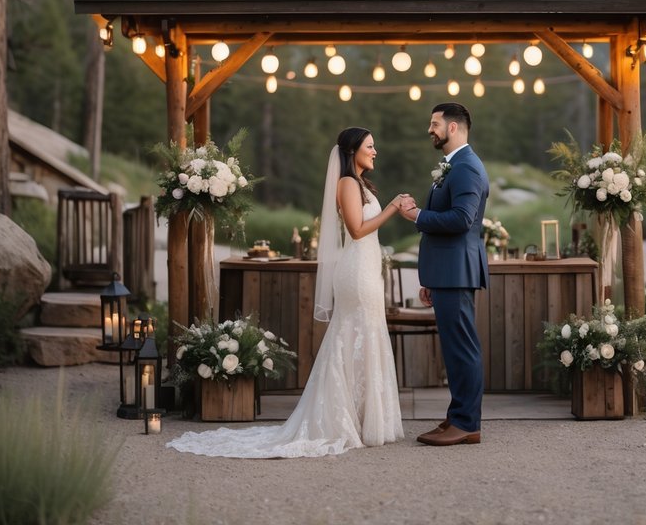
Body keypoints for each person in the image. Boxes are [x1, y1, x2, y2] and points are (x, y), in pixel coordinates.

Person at [167, 127, 410, 458]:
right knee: (355, 334)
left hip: (367, 268)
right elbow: (356, 230)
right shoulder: (347, 184)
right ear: (353, 152)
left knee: (366, 333)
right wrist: (393, 208)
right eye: (370, 146)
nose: (375, 150)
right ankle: (346, 416)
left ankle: (367, 417)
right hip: (356, 271)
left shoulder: (362, 185)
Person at [399, 101, 489, 446]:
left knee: (462, 349)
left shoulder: (467, 167)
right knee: (455, 349)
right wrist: (430, 278)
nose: (430, 129)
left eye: (435, 123)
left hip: (458, 271)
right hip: (446, 273)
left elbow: (461, 220)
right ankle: (457, 417)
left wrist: (416, 215)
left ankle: (466, 422)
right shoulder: (454, 166)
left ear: (453, 127)